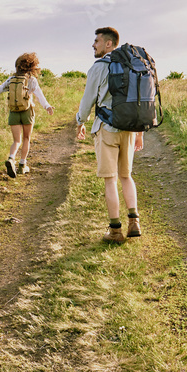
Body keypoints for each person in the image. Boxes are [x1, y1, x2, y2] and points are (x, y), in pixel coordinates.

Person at [75, 27, 144, 244]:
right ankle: (134, 222)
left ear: (108, 44)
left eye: (96, 41)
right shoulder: (133, 65)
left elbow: (87, 101)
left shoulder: (99, 67)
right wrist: (139, 132)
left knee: (110, 180)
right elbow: (140, 99)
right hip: (130, 129)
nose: (93, 45)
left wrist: (80, 122)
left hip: (107, 128)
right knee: (126, 176)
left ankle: (115, 231)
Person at [0, 52, 54, 178]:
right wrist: (47, 106)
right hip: (27, 111)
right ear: (31, 67)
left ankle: (11, 159)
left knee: (16, 140)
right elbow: (39, 95)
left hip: (14, 111)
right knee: (26, 138)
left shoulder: (11, 80)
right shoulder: (31, 80)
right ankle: (22, 165)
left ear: (17, 66)